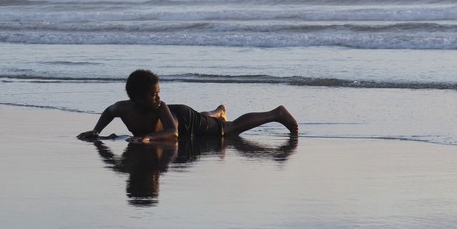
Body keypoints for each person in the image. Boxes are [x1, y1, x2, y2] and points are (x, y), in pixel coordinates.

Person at [77, 68, 297, 143]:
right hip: (180, 117)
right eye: (153, 95)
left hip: (184, 119)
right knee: (209, 118)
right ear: (136, 98)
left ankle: (276, 114)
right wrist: (96, 131)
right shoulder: (122, 108)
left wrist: (148, 137)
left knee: (228, 130)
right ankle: (218, 111)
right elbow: (108, 112)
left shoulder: (160, 107)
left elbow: (172, 132)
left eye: (159, 93)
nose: (158, 98)